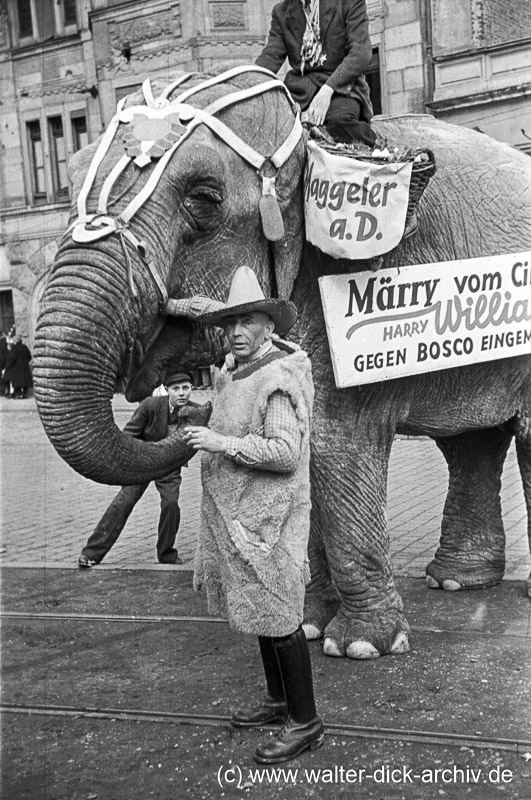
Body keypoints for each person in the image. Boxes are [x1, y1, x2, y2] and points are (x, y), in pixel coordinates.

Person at [185, 266, 324, 764]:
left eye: (248, 322)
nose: (237, 332)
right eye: (231, 324)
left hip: (272, 521)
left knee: (281, 616)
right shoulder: (238, 371)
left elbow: (285, 452)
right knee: (262, 613)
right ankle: (278, 700)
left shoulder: (277, 379)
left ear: (270, 327)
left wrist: (221, 442)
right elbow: (240, 414)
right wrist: (203, 415)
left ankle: (306, 722)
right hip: (246, 520)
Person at [77, 370, 198, 568]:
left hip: (169, 464)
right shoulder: (150, 405)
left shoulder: (195, 412)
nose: (182, 393)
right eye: (176, 389)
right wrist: (129, 462)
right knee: (123, 502)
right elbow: (128, 434)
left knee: (171, 504)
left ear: (192, 389)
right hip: (140, 462)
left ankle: (166, 553)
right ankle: (91, 553)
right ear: (167, 391)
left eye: (186, 388)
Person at [255, 0, 376, 146]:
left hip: (341, 89)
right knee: (268, 126)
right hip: (299, 92)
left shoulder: (349, 3)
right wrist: (246, 80)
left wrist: (328, 89)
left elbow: (361, 53)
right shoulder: (281, 11)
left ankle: (380, 148)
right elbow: (270, 56)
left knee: (338, 123)